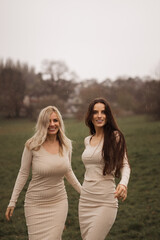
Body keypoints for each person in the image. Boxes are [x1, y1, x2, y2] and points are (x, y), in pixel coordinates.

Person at [5, 106, 81, 240]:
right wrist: (12, 201)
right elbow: (23, 173)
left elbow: (68, 171)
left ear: (60, 122)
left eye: (55, 120)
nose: (52, 124)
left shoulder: (66, 145)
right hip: (35, 205)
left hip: (59, 203)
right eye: (48, 121)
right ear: (42, 123)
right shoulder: (32, 145)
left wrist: (84, 192)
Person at [79, 98, 131, 240]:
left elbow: (125, 165)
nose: (99, 115)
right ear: (90, 116)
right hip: (85, 200)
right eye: (95, 112)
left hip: (105, 201)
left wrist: (123, 183)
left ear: (108, 115)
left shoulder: (115, 137)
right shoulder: (87, 140)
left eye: (103, 112)